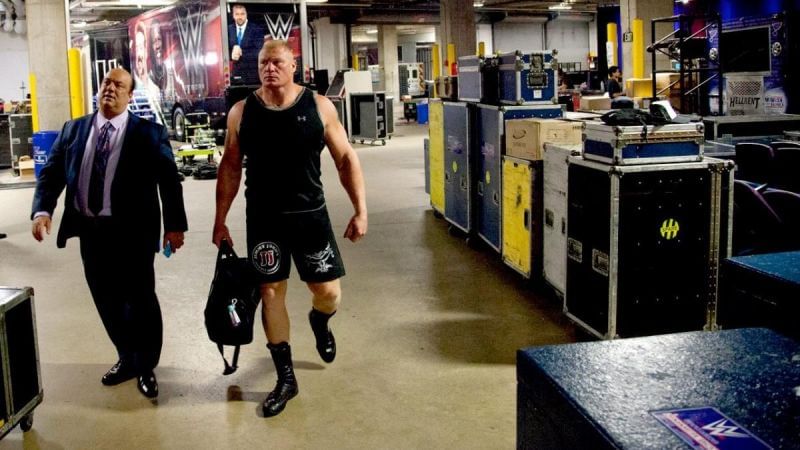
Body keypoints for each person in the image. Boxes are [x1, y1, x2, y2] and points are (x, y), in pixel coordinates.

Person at [213, 40, 367, 418]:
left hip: (310, 215)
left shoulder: (318, 106)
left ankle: (320, 320)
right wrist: (220, 219)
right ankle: (286, 379)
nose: (269, 68)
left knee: (327, 293)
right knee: (269, 292)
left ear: (293, 65)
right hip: (264, 219)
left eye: (277, 62)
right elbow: (230, 166)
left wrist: (360, 210)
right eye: (264, 62)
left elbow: (346, 157)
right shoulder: (241, 112)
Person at [31, 68, 187, 400]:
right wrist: (43, 209)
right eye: (106, 83)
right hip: (91, 232)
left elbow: (170, 182)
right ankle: (126, 357)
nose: (110, 89)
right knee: (107, 300)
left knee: (141, 299)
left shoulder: (150, 133)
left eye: (119, 85)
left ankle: (146, 365)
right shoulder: (75, 128)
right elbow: (52, 173)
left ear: (130, 95)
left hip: (133, 233)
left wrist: (175, 226)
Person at [228, 4, 265, 84]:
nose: (240, 17)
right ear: (233, 15)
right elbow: (225, 49)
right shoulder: (229, 29)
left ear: (246, 14)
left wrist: (241, 52)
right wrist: (231, 54)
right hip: (236, 75)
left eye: (242, 14)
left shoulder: (256, 29)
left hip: (253, 76)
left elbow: (259, 51)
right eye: (237, 14)